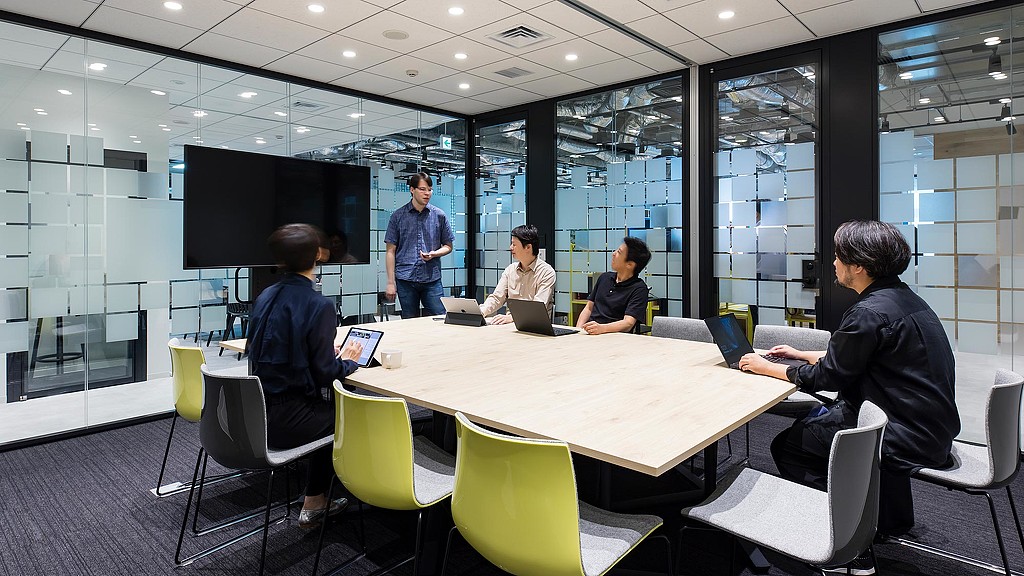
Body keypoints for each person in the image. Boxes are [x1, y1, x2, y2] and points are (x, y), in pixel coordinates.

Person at [738, 220, 959, 575]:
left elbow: (829, 377)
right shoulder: (905, 300)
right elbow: (869, 361)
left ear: (859, 266)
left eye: (839, 256)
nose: (834, 263)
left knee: (789, 445)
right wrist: (803, 353)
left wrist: (768, 368)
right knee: (815, 421)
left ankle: (841, 538)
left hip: (898, 434)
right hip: (929, 427)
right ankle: (887, 521)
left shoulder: (868, 311)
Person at [247, 223, 364, 528]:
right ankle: (315, 501)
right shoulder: (318, 305)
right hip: (287, 420)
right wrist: (349, 360)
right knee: (352, 413)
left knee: (331, 410)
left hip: (252, 415)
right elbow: (327, 375)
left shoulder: (264, 296)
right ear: (317, 256)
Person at [384, 172, 455, 319]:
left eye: (429, 189)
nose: (427, 193)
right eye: (422, 189)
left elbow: (448, 245)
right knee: (409, 322)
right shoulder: (398, 216)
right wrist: (391, 283)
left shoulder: (439, 215)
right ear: (412, 190)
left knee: (440, 318)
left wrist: (435, 253)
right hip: (405, 279)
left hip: (432, 278)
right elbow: (390, 251)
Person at [479, 224, 556, 324]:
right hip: (509, 327)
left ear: (528, 247)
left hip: (535, 328)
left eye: (514, 244)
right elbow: (497, 298)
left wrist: (512, 318)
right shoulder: (510, 270)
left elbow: (538, 307)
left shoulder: (546, 272)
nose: (511, 247)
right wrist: (480, 312)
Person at [575, 237, 651, 335]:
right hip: (591, 334)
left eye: (619, 252)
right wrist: (578, 330)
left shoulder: (639, 289)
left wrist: (602, 328)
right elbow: (588, 308)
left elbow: (628, 323)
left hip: (615, 338)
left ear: (630, 265)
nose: (614, 254)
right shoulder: (604, 277)